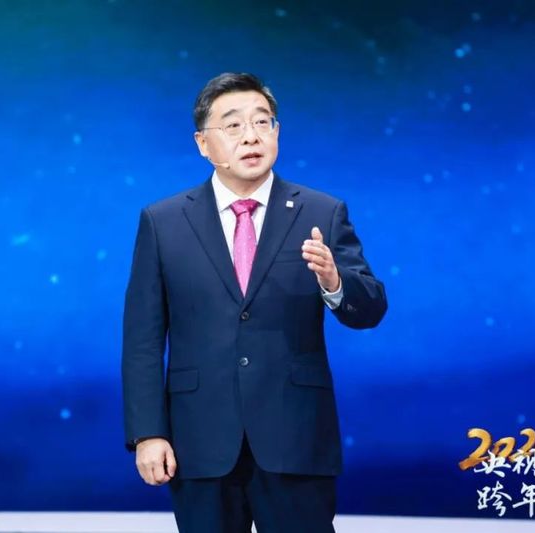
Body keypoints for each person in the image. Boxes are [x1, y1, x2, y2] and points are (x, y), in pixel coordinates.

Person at [121, 72, 387, 533]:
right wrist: (148, 433)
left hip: (296, 438)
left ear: (277, 132)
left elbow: (371, 310)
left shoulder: (321, 212)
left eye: (262, 122)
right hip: (199, 442)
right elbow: (142, 339)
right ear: (203, 143)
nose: (251, 136)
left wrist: (334, 280)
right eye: (233, 125)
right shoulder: (163, 222)